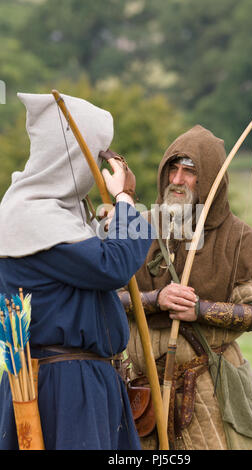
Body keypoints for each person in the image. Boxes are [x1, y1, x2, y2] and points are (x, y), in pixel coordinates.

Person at [0, 92, 153, 450]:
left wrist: (114, 222)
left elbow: (90, 268)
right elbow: (112, 265)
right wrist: (126, 198)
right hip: (64, 387)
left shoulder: (52, 215)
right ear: (72, 155)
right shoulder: (30, 216)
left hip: (79, 380)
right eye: (97, 155)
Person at [118, 124, 252, 450]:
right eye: (172, 170)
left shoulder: (241, 240)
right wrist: (154, 300)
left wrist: (199, 310)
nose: (177, 180)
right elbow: (102, 297)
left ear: (210, 180)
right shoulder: (140, 228)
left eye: (189, 172)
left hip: (209, 388)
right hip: (142, 388)